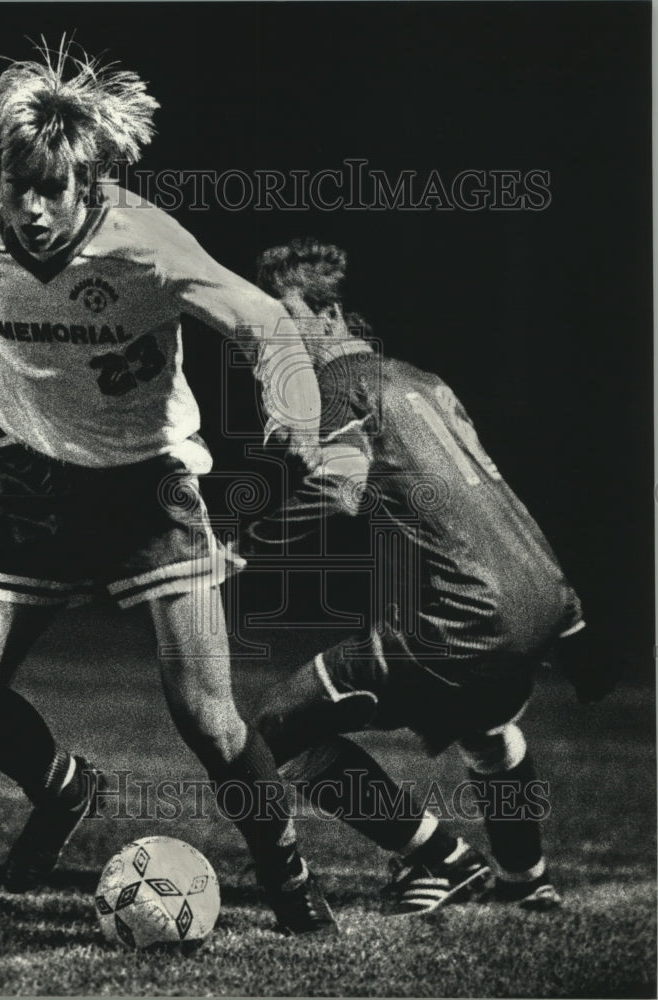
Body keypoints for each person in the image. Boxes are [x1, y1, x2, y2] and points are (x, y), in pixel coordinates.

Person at [0, 42, 338, 936]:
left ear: (90, 180)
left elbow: (264, 321)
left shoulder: (144, 243)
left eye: (53, 190)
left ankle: (286, 874)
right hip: (30, 482)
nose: (32, 211)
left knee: (207, 719)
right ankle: (64, 787)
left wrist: (294, 411)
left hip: (147, 490)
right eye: (16, 188)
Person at [242, 237, 603, 914]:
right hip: (539, 599)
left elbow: (338, 493)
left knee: (274, 730)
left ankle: (439, 857)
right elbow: (491, 493)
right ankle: (527, 878)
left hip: (457, 619)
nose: (271, 337)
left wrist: (245, 544)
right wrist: (570, 611)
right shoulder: (425, 382)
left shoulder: (333, 387)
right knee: (486, 727)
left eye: (280, 317)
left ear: (327, 317)